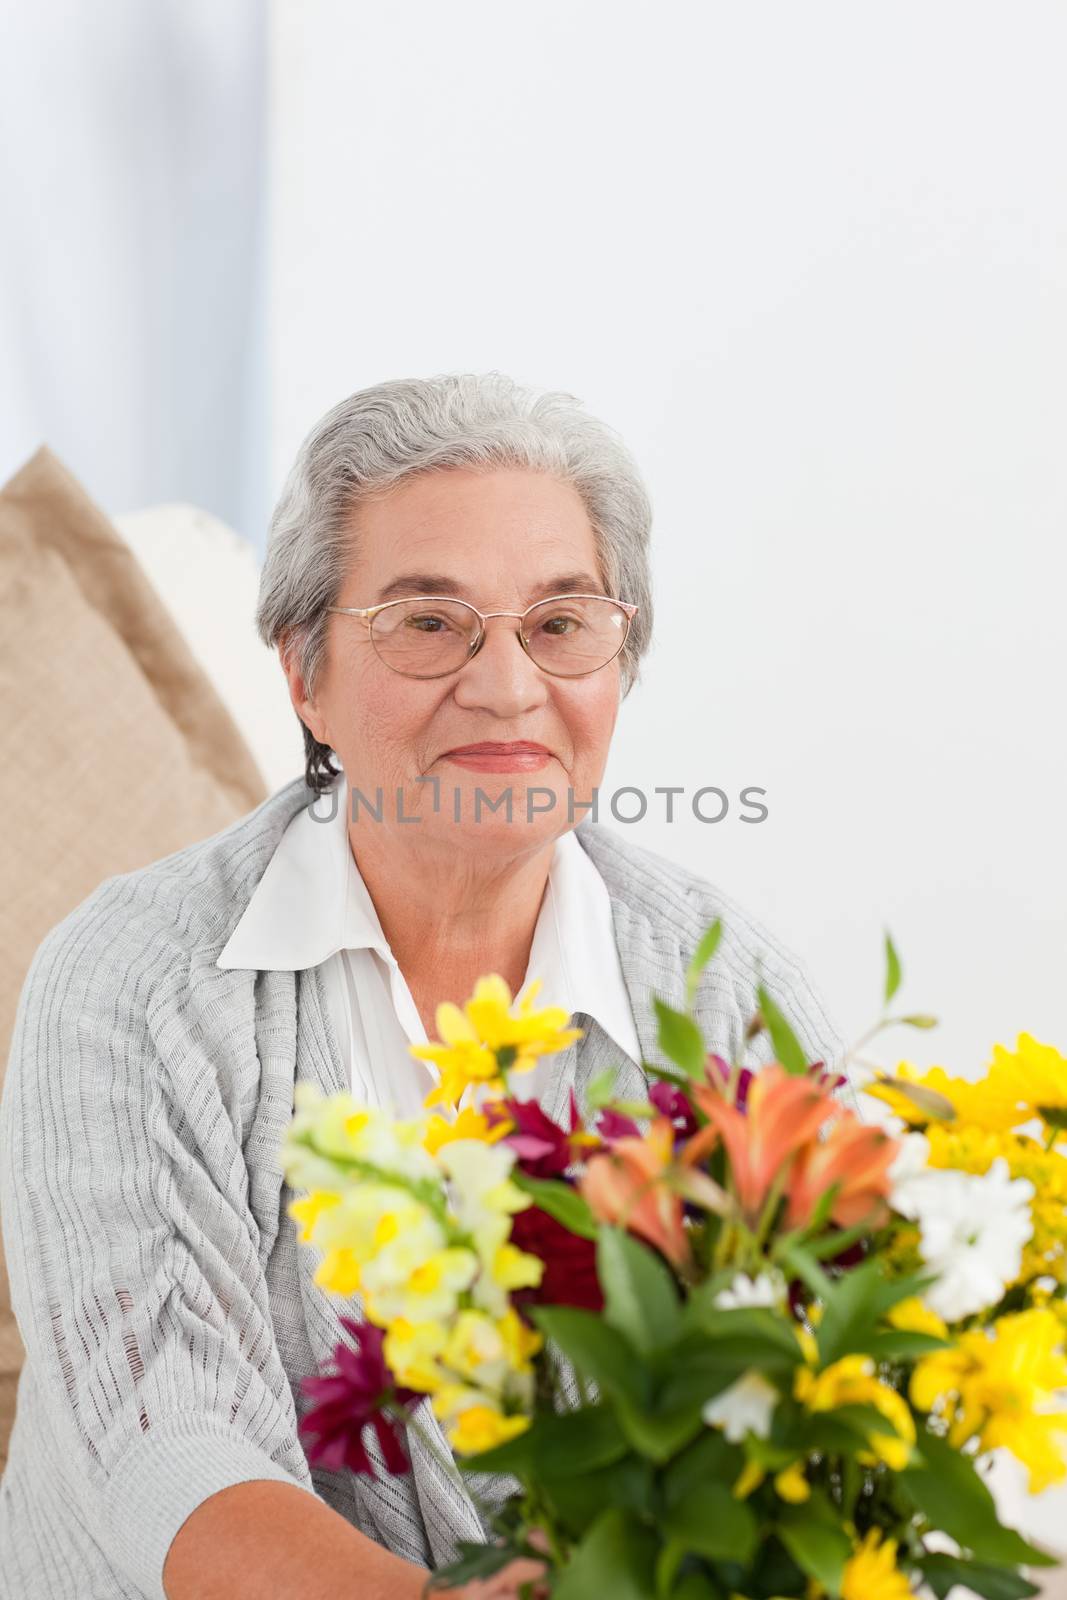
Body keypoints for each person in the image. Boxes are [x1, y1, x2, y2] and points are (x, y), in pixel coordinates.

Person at [0, 373, 846, 1598]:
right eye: (428, 623)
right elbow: (163, 1443)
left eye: (559, 625)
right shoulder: (129, 979)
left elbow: (828, 1392)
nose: (505, 688)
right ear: (305, 672)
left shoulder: (728, 994)